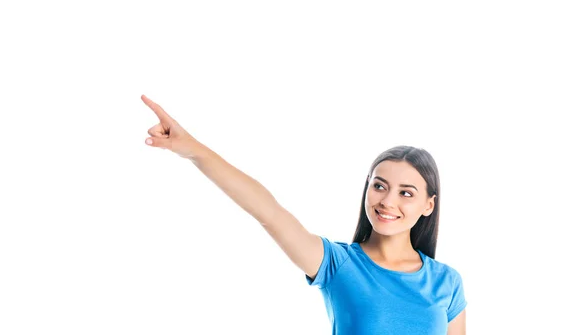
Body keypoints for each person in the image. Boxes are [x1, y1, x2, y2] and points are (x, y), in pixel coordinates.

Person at [141, 94, 467, 335]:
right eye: (380, 186)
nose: (387, 201)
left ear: (428, 205)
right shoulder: (338, 264)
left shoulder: (447, 282)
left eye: (406, 193)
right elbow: (268, 211)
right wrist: (194, 150)